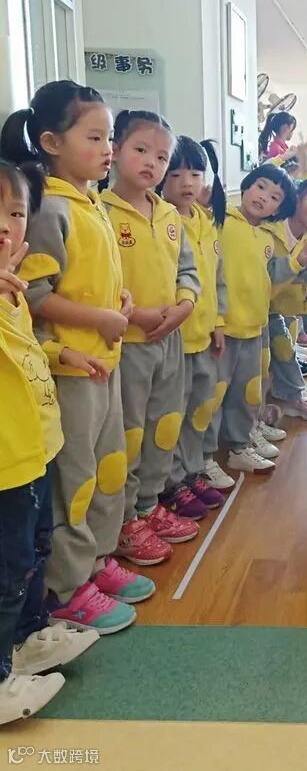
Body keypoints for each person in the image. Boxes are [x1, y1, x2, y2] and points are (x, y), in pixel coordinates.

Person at [2, 82, 153, 634]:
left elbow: (91, 280)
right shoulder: (48, 208)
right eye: (94, 137)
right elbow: (38, 295)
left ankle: (95, 558)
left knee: (107, 465)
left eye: (109, 138)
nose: (107, 148)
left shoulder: (90, 202)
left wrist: (120, 303)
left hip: (102, 361)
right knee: (76, 480)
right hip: (69, 369)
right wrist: (99, 320)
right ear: (51, 142)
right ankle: (66, 586)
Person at [0, 160, 99, 724]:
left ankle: (28, 637)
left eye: (16, 213)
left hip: (35, 451)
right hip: (6, 462)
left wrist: (64, 353)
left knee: (33, 553)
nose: (5, 226)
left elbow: (28, 347)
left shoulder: (12, 290)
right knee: (8, 568)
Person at [100, 111, 201, 563]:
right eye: (141, 150)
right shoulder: (101, 212)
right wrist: (137, 315)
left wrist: (184, 305)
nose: (151, 163)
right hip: (128, 345)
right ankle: (124, 521)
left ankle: (148, 504)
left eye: (161, 157)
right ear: (115, 149)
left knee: (165, 424)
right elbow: (97, 283)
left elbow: (188, 270)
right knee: (129, 433)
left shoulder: (169, 214)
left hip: (169, 339)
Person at [207, 164, 307, 476]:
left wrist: (297, 262)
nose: (264, 197)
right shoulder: (218, 220)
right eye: (261, 187)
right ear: (246, 185)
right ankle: (204, 457)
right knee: (213, 395)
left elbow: (270, 277)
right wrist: (215, 319)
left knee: (247, 391)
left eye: (275, 197)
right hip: (222, 328)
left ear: (279, 209)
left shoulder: (266, 236)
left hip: (255, 326)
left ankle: (240, 445)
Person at [159, 137, 228, 513]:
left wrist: (218, 322)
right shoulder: (161, 219)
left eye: (195, 173)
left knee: (200, 408)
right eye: (176, 174)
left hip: (204, 337)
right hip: (174, 339)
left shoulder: (205, 221)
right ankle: (170, 483)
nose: (187, 182)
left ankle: (190, 470)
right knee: (173, 414)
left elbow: (217, 279)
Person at [265, 177, 307, 424]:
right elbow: (265, 275)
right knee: (275, 353)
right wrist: (297, 261)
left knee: (283, 348)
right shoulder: (270, 230)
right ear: (296, 199)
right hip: (257, 306)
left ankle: (291, 397)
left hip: (278, 310)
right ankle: (286, 399)